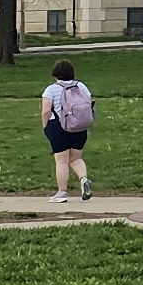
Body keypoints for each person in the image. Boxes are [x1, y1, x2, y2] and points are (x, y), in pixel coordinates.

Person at [40, 59, 94, 203]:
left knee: (62, 160)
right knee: (76, 158)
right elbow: (88, 103)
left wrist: (45, 126)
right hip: (79, 126)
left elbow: (46, 111)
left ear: (55, 74)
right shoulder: (81, 86)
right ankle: (83, 179)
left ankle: (62, 192)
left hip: (58, 126)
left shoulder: (51, 90)